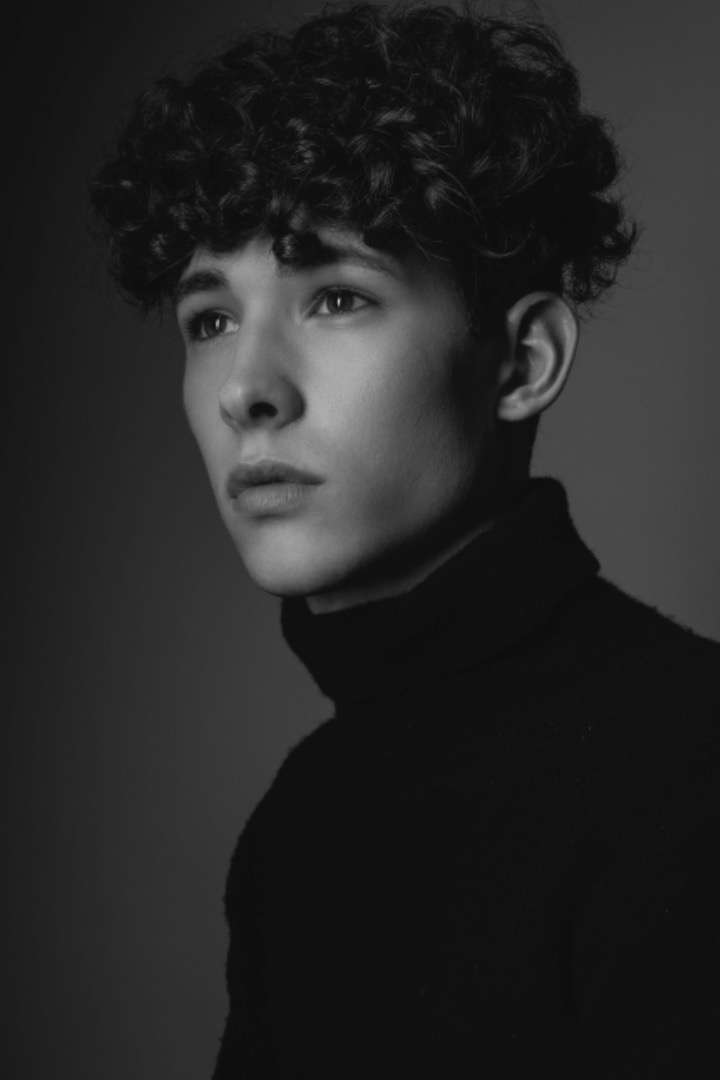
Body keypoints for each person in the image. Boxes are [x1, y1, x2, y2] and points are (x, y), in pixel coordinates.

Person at [90, 2, 720, 1075]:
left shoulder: (689, 775)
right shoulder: (302, 825)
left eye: (337, 297)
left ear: (523, 363)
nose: (246, 389)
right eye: (211, 320)